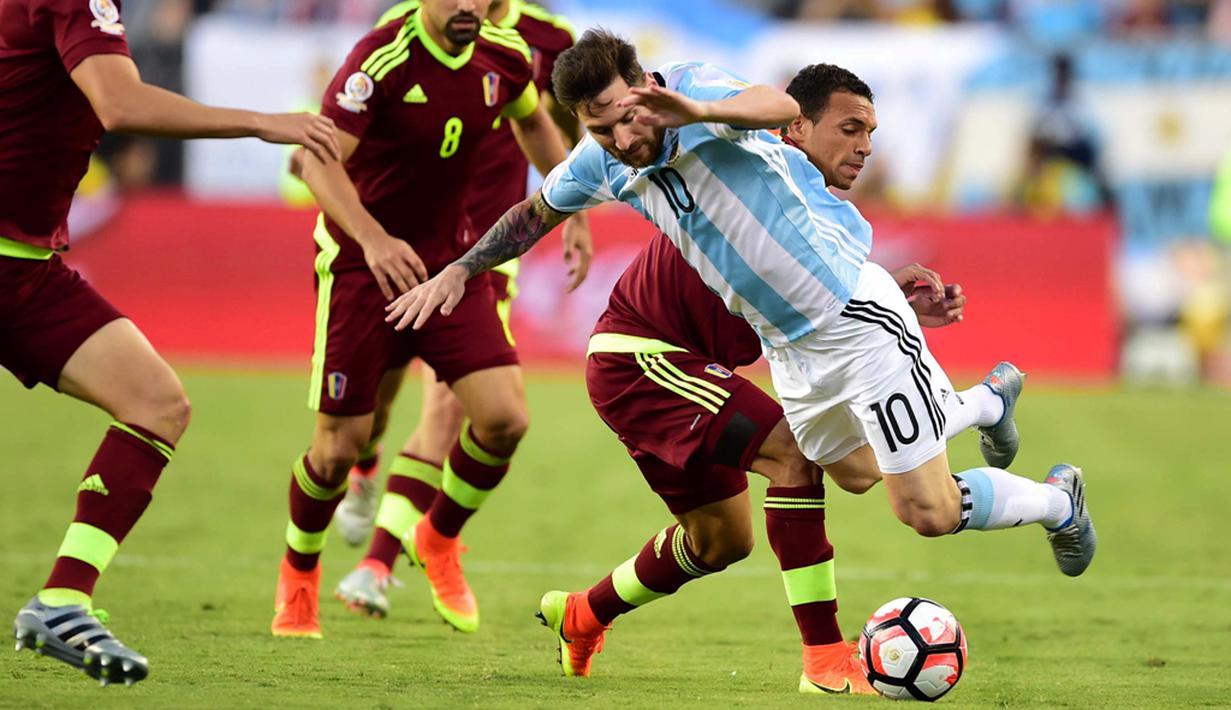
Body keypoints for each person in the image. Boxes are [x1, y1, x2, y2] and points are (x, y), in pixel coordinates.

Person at [391, 28, 1097, 655]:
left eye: (626, 118)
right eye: (600, 131)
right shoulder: (602, 161)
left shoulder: (696, 90)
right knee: (853, 473)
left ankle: (1057, 503)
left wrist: (697, 114)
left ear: (642, 87)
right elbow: (533, 211)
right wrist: (458, 270)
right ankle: (980, 405)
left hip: (854, 320)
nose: (624, 140)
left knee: (926, 511)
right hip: (789, 350)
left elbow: (781, 109)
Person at [3, 0, 339, 686]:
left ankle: (63, 600)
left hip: (27, 272)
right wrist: (258, 121)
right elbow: (119, 104)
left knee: (155, 402)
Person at [271, 0, 583, 640]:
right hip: (363, 272)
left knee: (504, 418)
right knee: (337, 450)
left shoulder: (509, 53)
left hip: (451, 269)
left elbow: (534, 123)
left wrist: (572, 202)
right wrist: (373, 239)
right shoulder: (380, 58)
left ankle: (435, 536)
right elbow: (315, 161)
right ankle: (299, 572)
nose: (468, 4)